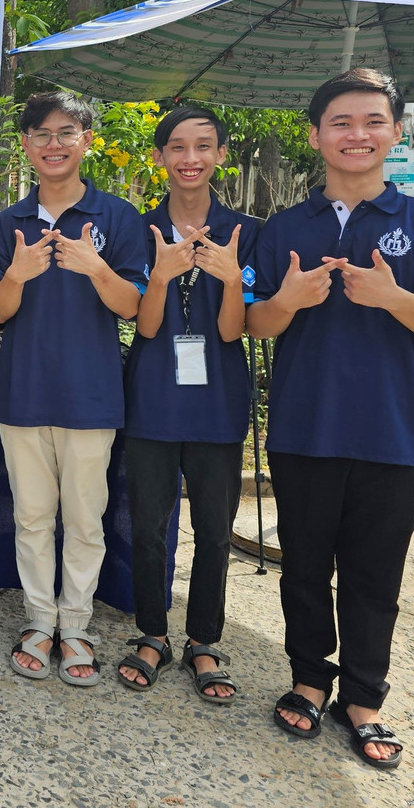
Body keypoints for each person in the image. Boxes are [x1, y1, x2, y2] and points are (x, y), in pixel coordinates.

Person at [247, 68, 414, 769]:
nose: (358, 134)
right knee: (305, 568)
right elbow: (254, 321)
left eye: (373, 121)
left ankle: (365, 696)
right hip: (303, 427)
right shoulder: (284, 227)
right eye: (341, 122)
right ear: (315, 135)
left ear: (396, 132)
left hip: (392, 432)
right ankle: (310, 677)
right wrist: (288, 300)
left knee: (376, 573)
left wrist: (391, 297)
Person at [0, 92, 148, 686]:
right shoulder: (8, 224)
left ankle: (74, 625)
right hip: (24, 393)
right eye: (41, 134)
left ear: (85, 140)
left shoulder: (118, 218)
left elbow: (133, 306)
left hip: (91, 396)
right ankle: (38, 620)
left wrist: (96, 267)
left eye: (66, 132)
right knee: (31, 517)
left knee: (85, 519)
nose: (53, 144)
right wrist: (17, 274)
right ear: (25, 145)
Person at [116, 105, 258, 702]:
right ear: (159, 157)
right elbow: (143, 327)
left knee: (213, 529)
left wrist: (228, 276)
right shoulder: (138, 228)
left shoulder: (245, 231)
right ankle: (153, 633)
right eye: (177, 146)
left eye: (203, 145)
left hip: (218, 403)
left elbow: (232, 332)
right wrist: (160, 275)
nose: (190, 157)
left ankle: (204, 640)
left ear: (221, 154)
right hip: (152, 398)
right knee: (147, 526)